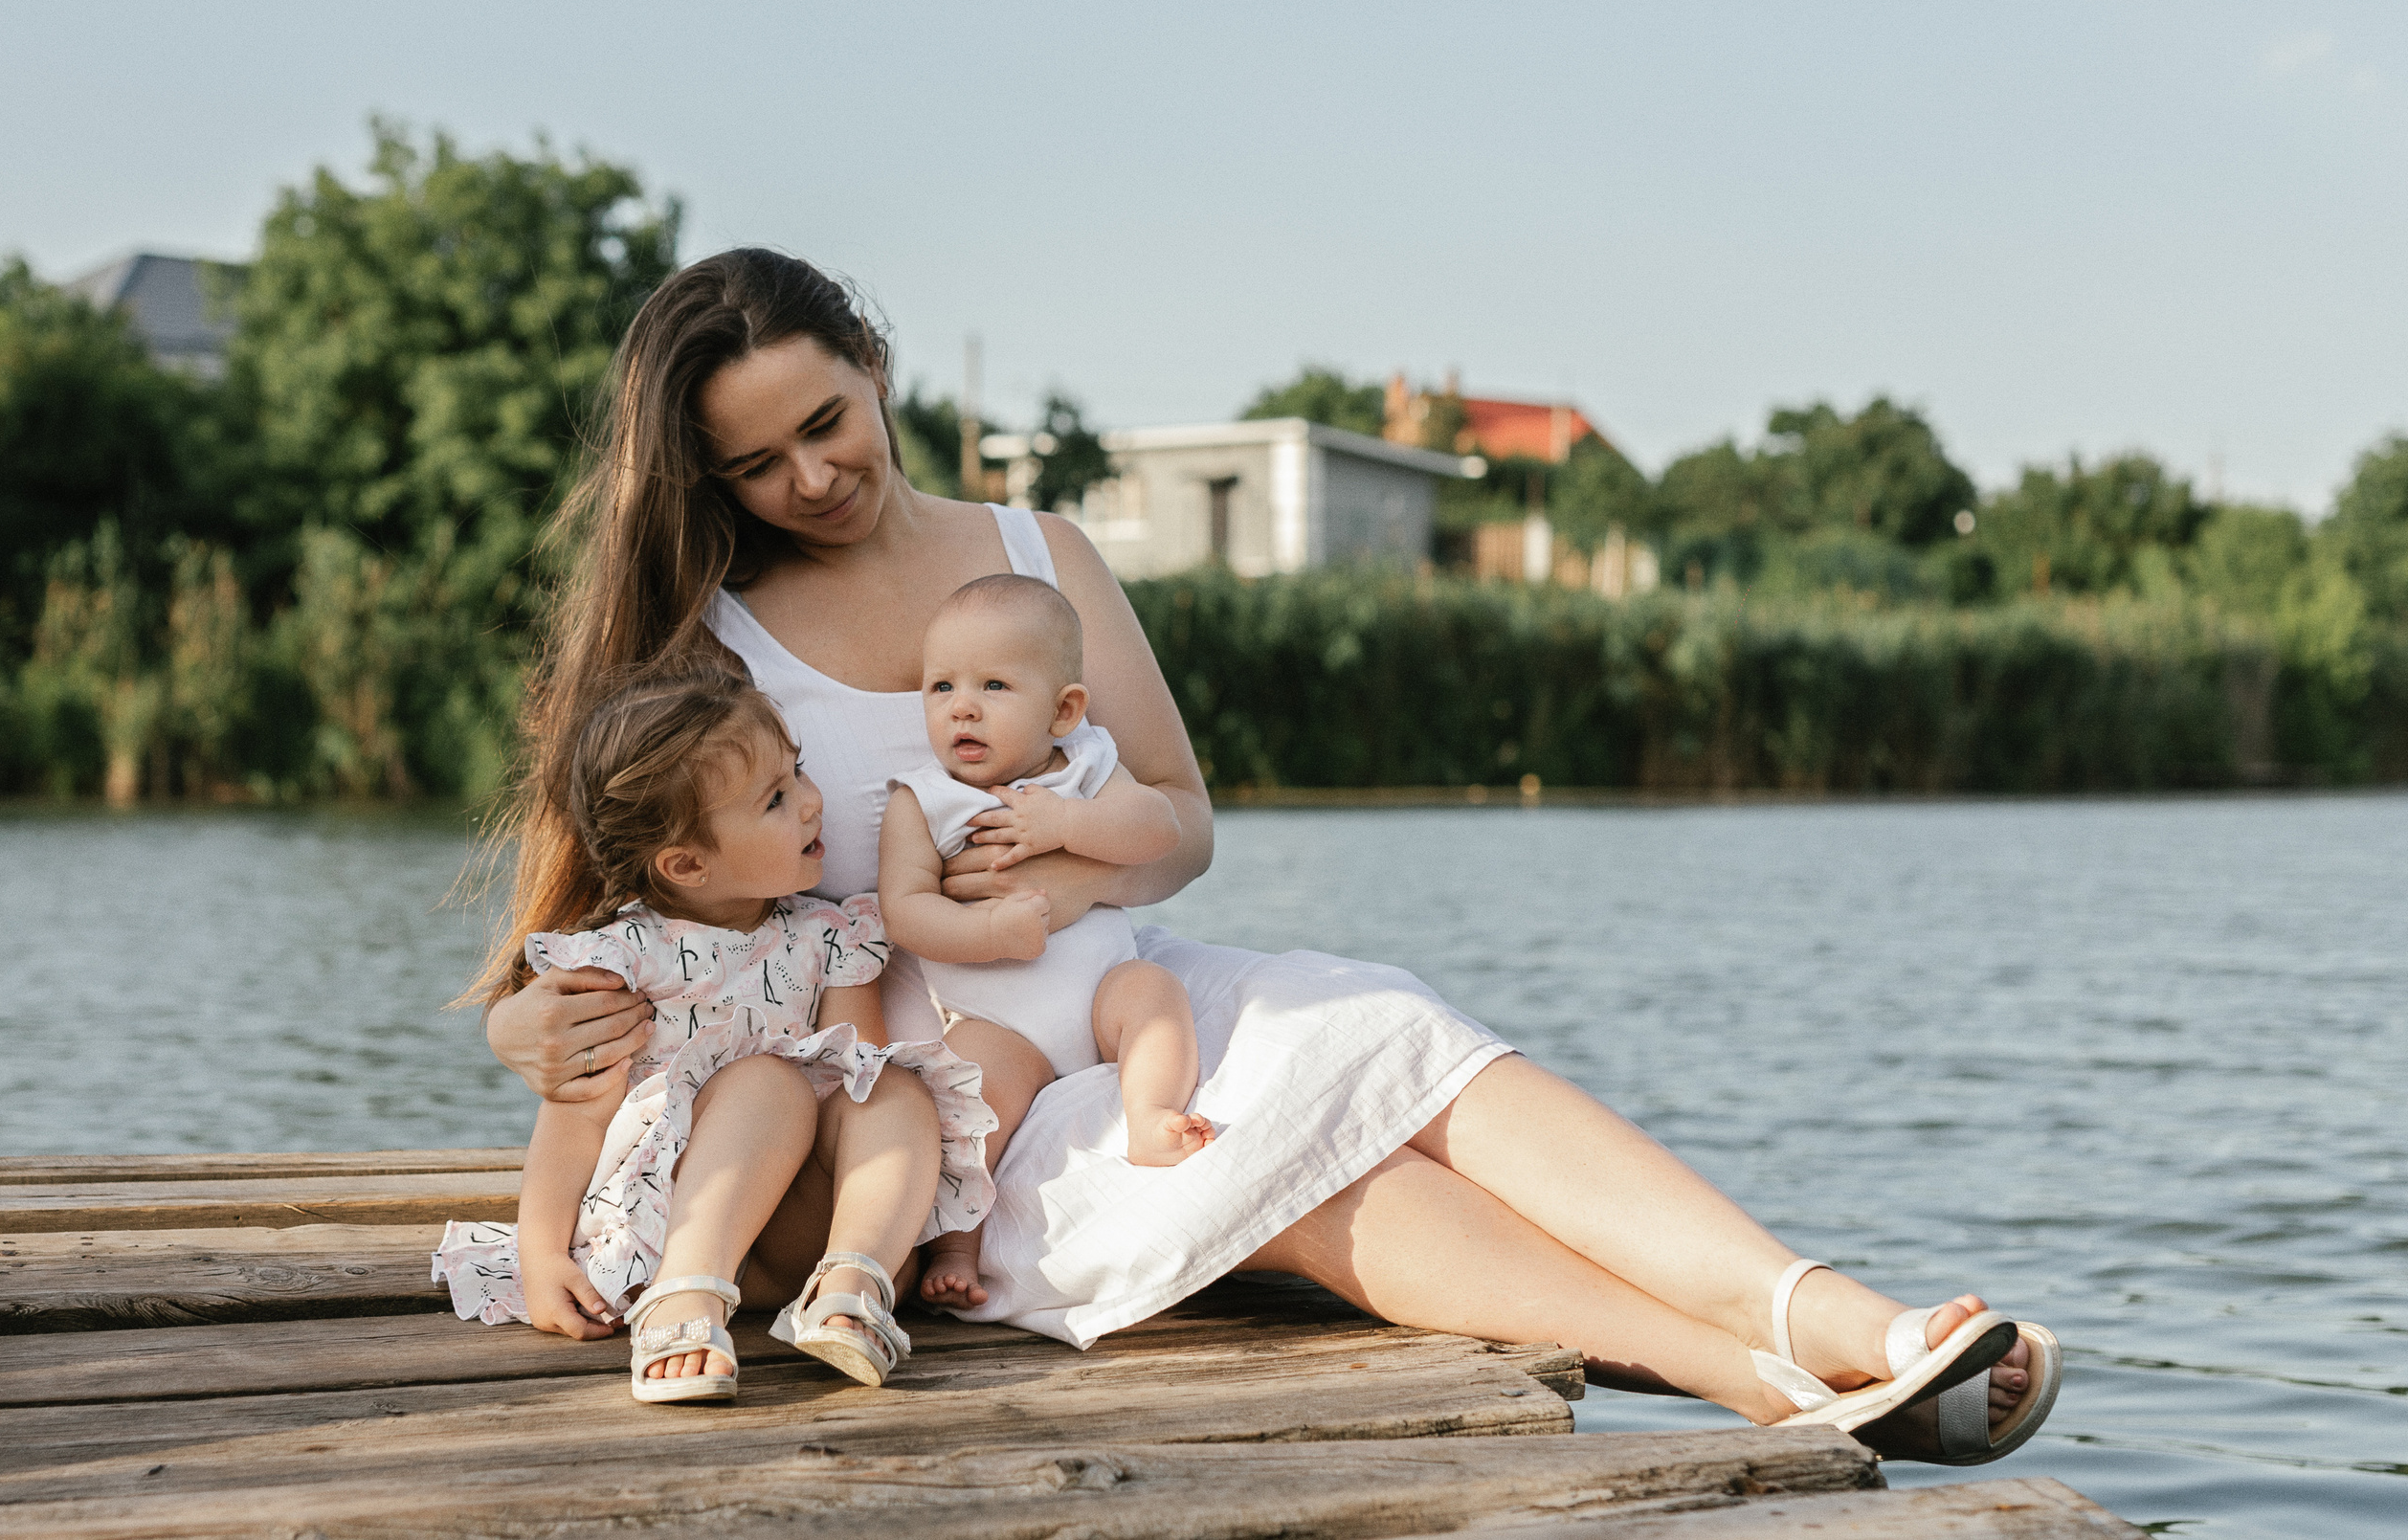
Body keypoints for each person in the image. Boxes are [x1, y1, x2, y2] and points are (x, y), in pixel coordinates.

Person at [479, 248, 2060, 1463]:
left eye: (826, 422)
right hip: (912, 1078)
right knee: (1282, 1161)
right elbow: (541, 966)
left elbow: (1178, 815)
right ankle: (1762, 1382)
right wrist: (532, 1032)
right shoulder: (702, 636)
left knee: (1389, 1033)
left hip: (1103, 981)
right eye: (755, 464)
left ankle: (1822, 1308)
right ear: (705, 481)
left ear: (874, 368)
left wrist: (1059, 878)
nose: (810, 477)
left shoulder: (1041, 554)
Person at [438, 666, 992, 1396]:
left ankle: (851, 1282)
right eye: (776, 798)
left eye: (797, 773)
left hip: (794, 1235)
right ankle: (684, 1295)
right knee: (770, 1082)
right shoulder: (625, 961)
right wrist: (541, 1253)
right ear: (687, 863)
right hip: (673, 1224)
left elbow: (853, 1081)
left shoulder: (834, 936)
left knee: (889, 1085)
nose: (811, 802)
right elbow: (574, 1119)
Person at [881, 571, 1216, 1307]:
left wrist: (1066, 826)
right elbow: (904, 910)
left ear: (1063, 710)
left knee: (1154, 995)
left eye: (994, 685)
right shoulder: (924, 798)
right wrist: (988, 928)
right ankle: (956, 1244)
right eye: (941, 688)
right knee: (970, 1092)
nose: (962, 706)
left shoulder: (1092, 765)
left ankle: (1151, 1113)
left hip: (1099, 996)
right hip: (1000, 1025)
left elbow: (1158, 828)